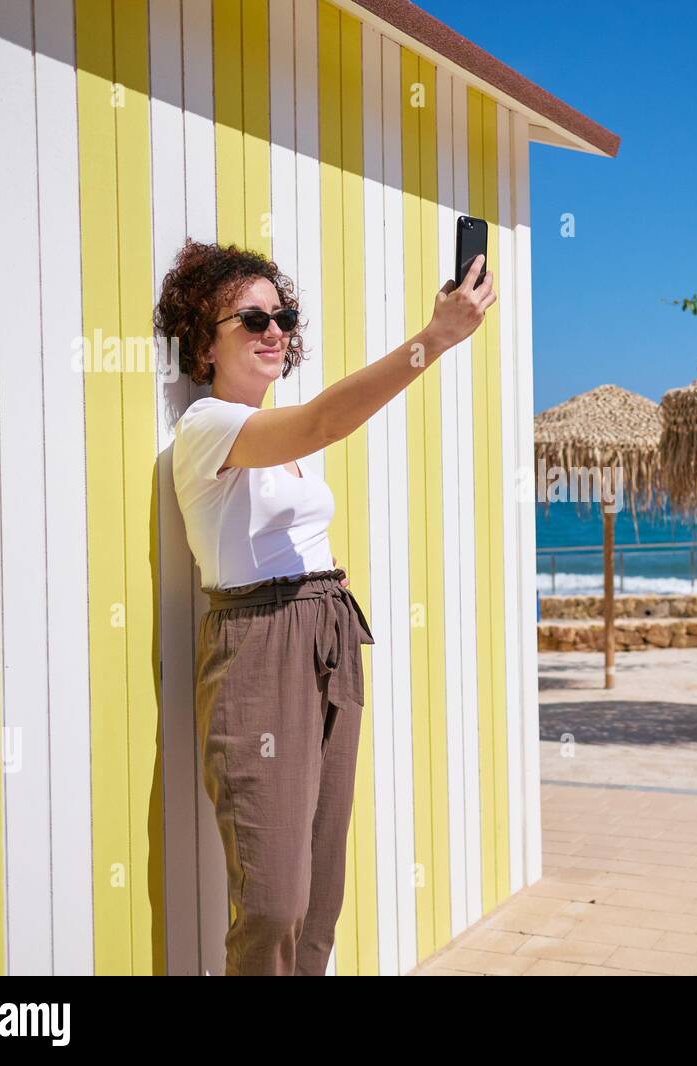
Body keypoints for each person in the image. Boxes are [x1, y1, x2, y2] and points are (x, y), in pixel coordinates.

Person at [155, 238, 494, 975]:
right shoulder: (208, 426)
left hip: (327, 629)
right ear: (203, 347)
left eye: (284, 317)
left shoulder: (277, 438)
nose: (275, 332)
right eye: (251, 320)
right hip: (260, 642)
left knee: (320, 889)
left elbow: (313, 430)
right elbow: (324, 421)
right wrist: (433, 339)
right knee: (274, 897)